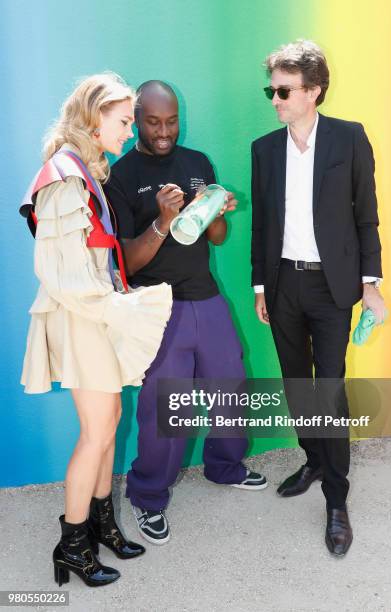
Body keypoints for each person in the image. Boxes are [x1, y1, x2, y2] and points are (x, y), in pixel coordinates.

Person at [19, 73, 172, 586]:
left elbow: (93, 260)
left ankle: (103, 525)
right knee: (97, 431)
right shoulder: (64, 175)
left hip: (95, 310)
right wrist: (116, 309)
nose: (130, 132)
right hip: (82, 314)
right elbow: (60, 274)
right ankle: (73, 544)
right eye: (124, 121)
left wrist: (114, 301)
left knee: (110, 419)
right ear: (94, 116)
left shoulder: (83, 171)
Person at [104, 80, 267, 545]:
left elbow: (214, 236)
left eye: (171, 121)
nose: (163, 131)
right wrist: (162, 219)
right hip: (156, 306)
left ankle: (225, 467)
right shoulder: (121, 175)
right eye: (153, 122)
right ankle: (149, 496)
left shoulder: (197, 163)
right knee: (165, 412)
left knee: (231, 390)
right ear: (136, 120)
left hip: (206, 296)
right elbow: (127, 261)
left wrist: (216, 209)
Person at [251, 41, 386, 556]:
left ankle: (336, 497)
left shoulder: (349, 139)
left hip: (334, 288)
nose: (275, 99)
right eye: (272, 89)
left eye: (283, 90)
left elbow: (366, 214)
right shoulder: (265, 149)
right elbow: (262, 224)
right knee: (295, 383)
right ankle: (312, 457)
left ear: (314, 91)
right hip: (283, 283)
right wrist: (261, 286)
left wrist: (369, 282)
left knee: (328, 389)